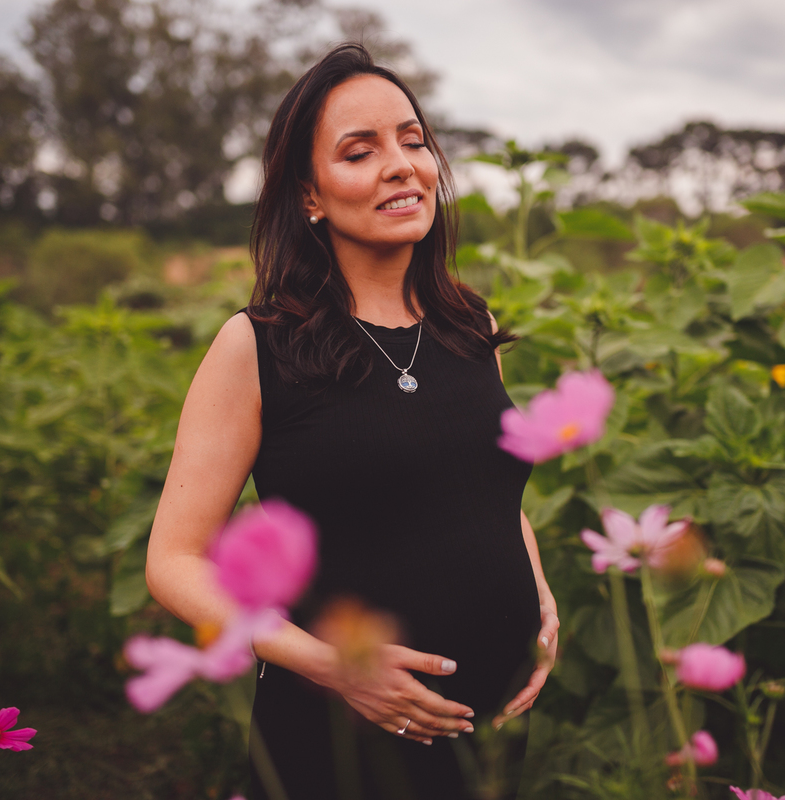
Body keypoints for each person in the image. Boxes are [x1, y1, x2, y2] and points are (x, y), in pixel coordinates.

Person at [144, 43, 559, 800]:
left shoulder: (470, 324)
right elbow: (174, 560)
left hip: (487, 730)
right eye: (360, 151)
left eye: (412, 139)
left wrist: (537, 591)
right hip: (336, 735)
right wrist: (336, 667)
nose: (402, 165)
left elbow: (488, 491)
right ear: (310, 194)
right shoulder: (260, 345)